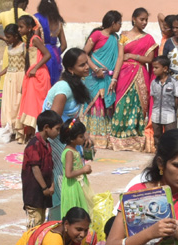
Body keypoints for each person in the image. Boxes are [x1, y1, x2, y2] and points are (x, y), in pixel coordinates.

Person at [107, 8, 156, 152]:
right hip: (123, 74)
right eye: (142, 19)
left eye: (146, 20)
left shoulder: (149, 39)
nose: (145, 22)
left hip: (140, 73)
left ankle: (136, 140)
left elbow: (150, 59)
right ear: (134, 19)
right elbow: (120, 57)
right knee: (121, 104)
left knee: (139, 107)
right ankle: (119, 140)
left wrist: (134, 57)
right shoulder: (123, 35)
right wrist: (114, 79)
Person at [83, 11, 122, 148]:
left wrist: (114, 78)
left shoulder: (116, 38)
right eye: (119, 23)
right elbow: (84, 54)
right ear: (113, 23)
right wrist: (95, 69)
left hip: (108, 78)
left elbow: (118, 58)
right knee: (95, 104)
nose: (120, 26)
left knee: (106, 106)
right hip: (94, 78)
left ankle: (103, 138)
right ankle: (90, 136)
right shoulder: (97, 35)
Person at [21, 109, 61, 227]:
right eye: (57, 129)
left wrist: (52, 185)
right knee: (35, 222)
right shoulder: (34, 145)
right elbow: (35, 169)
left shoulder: (47, 144)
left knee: (41, 219)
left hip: (44, 192)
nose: (58, 132)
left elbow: (50, 167)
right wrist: (44, 187)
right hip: (34, 191)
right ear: (46, 127)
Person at [18, 14, 51, 139]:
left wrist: (36, 68)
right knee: (30, 103)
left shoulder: (35, 39)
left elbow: (47, 55)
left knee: (37, 103)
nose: (19, 30)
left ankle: (38, 131)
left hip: (39, 75)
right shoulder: (29, 40)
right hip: (32, 75)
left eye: (21, 27)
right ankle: (32, 132)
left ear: (30, 27)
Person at [44, 48, 93, 121]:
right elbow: (54, 121)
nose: (87, 67)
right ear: (70, 69)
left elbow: (75, 118)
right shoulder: (64, 88)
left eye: (87, 62)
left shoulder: (78, 82)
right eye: (82, 65)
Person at [35, 0, 66, 83]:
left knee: (42, 80)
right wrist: (56, 53)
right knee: (53, 80)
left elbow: (35, 38)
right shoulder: (58, 21)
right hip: (55, 54)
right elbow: (64, 45)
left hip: (41, 53)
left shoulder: (37, 18)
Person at [150, 56, 178, 141]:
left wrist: (173, 110)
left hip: (169, 114)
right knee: (157, 135)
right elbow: (154, 98)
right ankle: (159, 151)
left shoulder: (173, 82)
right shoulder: (154, 83)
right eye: (153, 68)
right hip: (156, 114)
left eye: (156, 67)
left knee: (170, 136)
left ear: (165, 68)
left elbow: (177, 98)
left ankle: (170, 153)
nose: (153, 70)